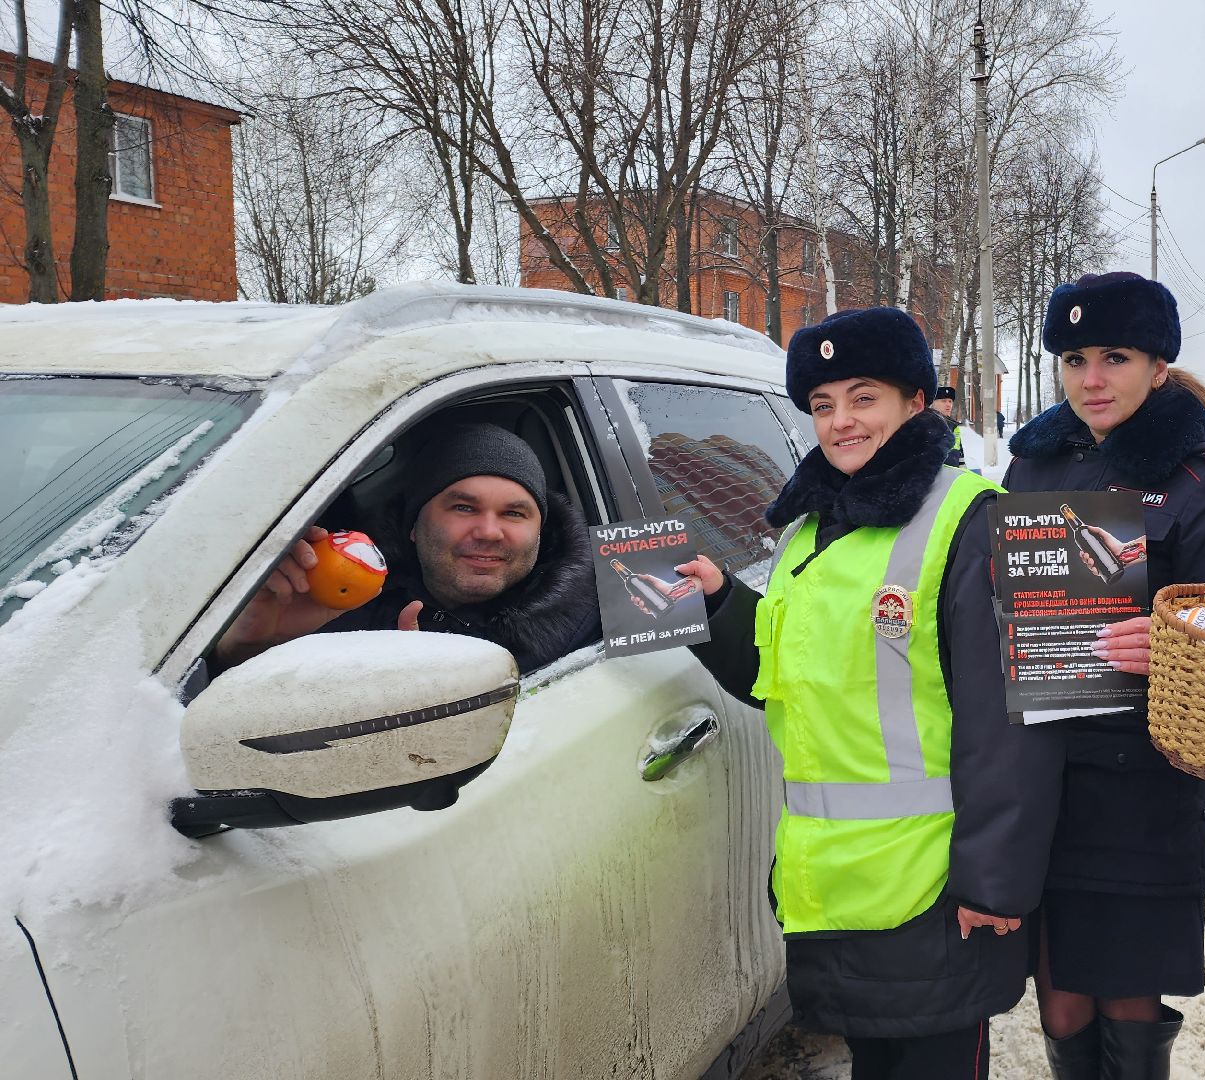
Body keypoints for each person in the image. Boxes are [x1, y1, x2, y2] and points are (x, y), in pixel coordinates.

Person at [672, 307, 1062, 1080]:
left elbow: (1011, 720)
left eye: (863, 398)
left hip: (933, 888)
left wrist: (994, 880)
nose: (841, 421)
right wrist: (718, 603)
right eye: (823, 405)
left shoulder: (970, 518)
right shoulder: (808, 533)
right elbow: (789, 675)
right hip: (833, 878)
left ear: (915, 401)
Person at [1002, 271, 1205, 1080]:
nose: (1092, 379)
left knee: (1126, 998)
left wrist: (1177, 642)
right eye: (1074, 359)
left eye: (1114, 357)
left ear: (1157, 365)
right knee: (1059, 1003)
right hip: (1044, 774)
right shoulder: (1033, 466)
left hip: (1140, 787)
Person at [215, 422, 600, 673]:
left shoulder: (599, 621)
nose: (489, 532)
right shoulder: (341, 607)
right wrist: (249, 646)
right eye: (463, 508)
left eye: (514, 513)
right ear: (413, 526)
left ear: (540, 532)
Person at [930, 384, 968, 468]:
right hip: (934, 473)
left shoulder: (953, 426)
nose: (948, 404)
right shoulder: (926, 423)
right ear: (933, 402)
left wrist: (963, 468)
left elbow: (959, 451)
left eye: (950, 401)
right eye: (944, 401)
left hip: (952, 473)